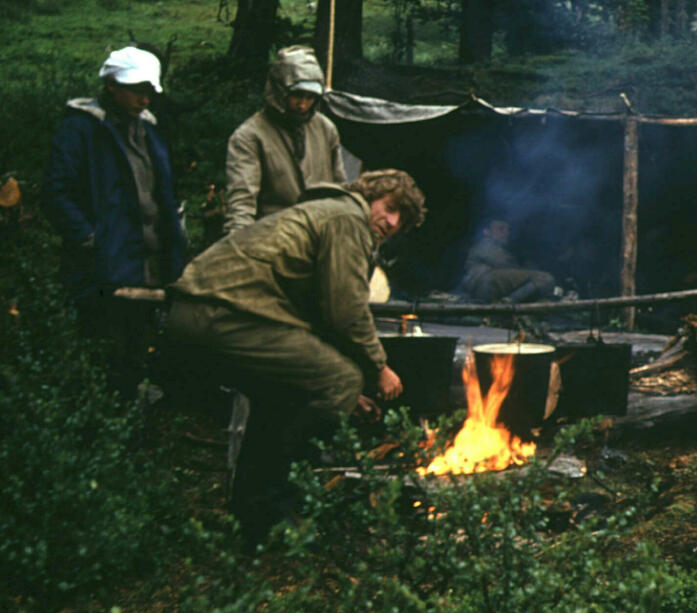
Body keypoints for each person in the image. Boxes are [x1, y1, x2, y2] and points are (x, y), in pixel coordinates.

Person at [166, 169, 425, 543]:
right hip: (221, 312)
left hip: (205, 310)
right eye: (389, 208)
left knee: (286, 394)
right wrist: (378, 368)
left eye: (401, 220)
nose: (391, 222)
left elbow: (317, 315)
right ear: (370, 195)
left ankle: (252, 518)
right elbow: (346, 310)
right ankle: (283, 505)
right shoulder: (347, 220)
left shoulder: (328, 212)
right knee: (340, 380)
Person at [42, 45, 187, 395]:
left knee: (140, 329)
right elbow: (55, 193)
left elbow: (160, 190)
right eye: (137, 90)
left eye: (149, 91)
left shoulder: (149, 130)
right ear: (111, 86)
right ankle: (98, 411)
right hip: (105, 258)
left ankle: (131, 400)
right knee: (102, 334)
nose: (144, 99)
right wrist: (90, 239)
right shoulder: (81, 130)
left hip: (148, 256)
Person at [222, 45, 347, 234]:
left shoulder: (325, 129)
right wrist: (240, 246)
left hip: (321, 234)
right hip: (274, 236)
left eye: (310, 97)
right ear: (279, 91)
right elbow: (242, 202)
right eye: (296, 96)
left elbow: (340, 189)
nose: (303, 105)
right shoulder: (249, 136)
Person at [459, 219, 556, 303]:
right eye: (501, 229)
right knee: (544, 278)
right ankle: (507, 303)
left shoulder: (493, 247)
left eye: (508, 229)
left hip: (483, 285)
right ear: (486, 232)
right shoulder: (486, 244)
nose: (506, 233)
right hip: (485, 281)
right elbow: (506, 264)